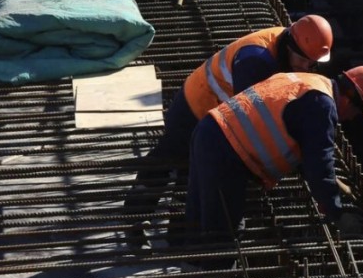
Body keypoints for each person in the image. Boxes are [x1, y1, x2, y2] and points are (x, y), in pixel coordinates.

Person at [125, 15, 335, 245]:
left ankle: (178, 240)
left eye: (311, 64)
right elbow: (250, 117)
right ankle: (134, 218)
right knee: (167, 160)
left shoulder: (288, 45)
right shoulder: (257, 61)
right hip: (196, 106)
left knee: (192, 180)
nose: (305, 68)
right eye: (303, 60)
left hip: (213, 117)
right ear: (291, 46)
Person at [185, 66, 363, 238]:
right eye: (356, 114)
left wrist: (333, 185)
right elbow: (319, 165)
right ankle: (212, 270)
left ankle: (189, 266)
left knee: (198, 219)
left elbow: (305, 154)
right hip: (226, 152)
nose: (350, 119)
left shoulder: (310, 81)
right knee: (224, 233)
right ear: (350, 102)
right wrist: (337, 214)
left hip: (210, 130)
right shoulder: (322, 106)